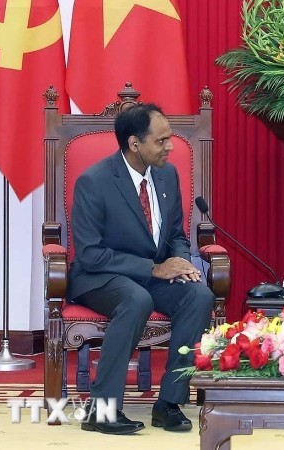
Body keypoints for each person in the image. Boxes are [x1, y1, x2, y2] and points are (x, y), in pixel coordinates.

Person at [68, 103, 215, 435]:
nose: (170, 146)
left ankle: (169, 403)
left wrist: (181, 262)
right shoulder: (94, 182)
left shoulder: (167, 174)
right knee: (136, 299)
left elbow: (176, 234)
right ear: (134, 143)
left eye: (170, 138)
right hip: (101, 276)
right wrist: (154, 268)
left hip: (151, 274)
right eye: (161, 141)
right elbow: (90, 254)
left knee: (198, 296)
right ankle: (102, 410)